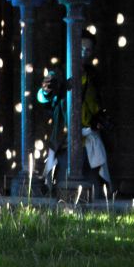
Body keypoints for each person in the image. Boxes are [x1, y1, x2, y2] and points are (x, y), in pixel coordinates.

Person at [37, 35, 111, 194]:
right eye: (81, 48)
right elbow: (43, 96)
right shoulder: (60, 72)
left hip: (89, 142)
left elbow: (96, 105)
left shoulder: (93, 76)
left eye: (88, 49)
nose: (84, 52)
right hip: (65, 141)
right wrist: (45, 91)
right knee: (64, 189)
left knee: (94, 191)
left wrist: (100, 118)